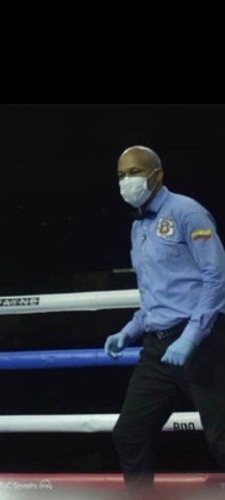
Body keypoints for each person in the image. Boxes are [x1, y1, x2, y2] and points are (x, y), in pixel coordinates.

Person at [104, 145, 225, 491]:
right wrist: (129, 330)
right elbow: (156, 294)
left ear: (158, 175)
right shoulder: (138, 228)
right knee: (129, 434)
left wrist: (191, 336)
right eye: (121, 174)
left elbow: (217, 278)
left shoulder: (188, 212)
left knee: (221, 439)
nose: (127, 180)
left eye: (135, 172)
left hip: (204, 342)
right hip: (157, 350)